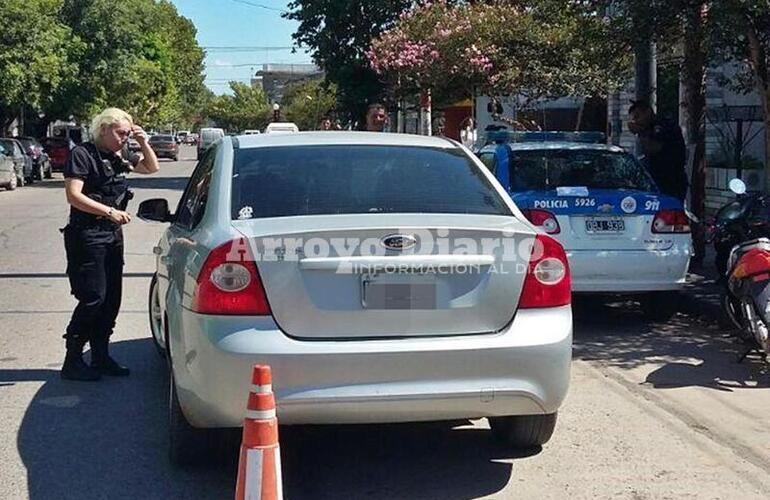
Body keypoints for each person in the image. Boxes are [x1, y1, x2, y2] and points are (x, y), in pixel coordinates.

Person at [61, 108, 160, 381]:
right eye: (120, 133)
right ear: (103, 129)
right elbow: (73, 196)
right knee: (94, 298)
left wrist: (142, 142)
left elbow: (151, 168)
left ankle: (101, 356)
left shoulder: (120, 155)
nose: (124, 138)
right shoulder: (83, 154)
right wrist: (108, 211)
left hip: (112, 236)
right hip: (88, 235)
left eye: (127, 133)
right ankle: (72, 359)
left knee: (111, 299)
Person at [627, 100, 688, 202]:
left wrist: (640, 133)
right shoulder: (648, 129)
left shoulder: (664, 125)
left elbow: (655, 148)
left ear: (648, 112)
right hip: (654, 180)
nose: (636, 121)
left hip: (670, 180)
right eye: (634, 119)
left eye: (637, 117)